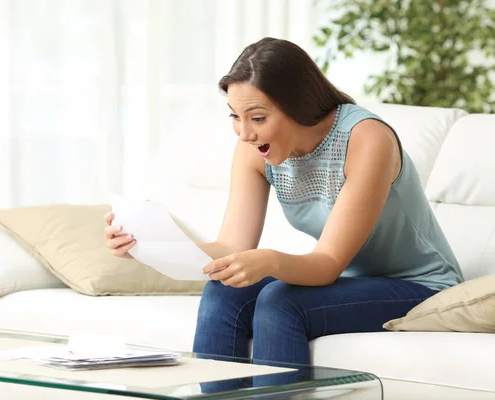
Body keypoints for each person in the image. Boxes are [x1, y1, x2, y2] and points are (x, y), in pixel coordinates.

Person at [103, 37, 464, 368]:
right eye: (234, 116)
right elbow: (231, 247)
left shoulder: (367, 138)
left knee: (280, 302)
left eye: (257, 118)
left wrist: (270, 261)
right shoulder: (253, 149)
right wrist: (148, 245)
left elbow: (326, 265)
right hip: (351, 282)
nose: (244, 133)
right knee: (224, 291)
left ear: (298, 105)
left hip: (419, 285)